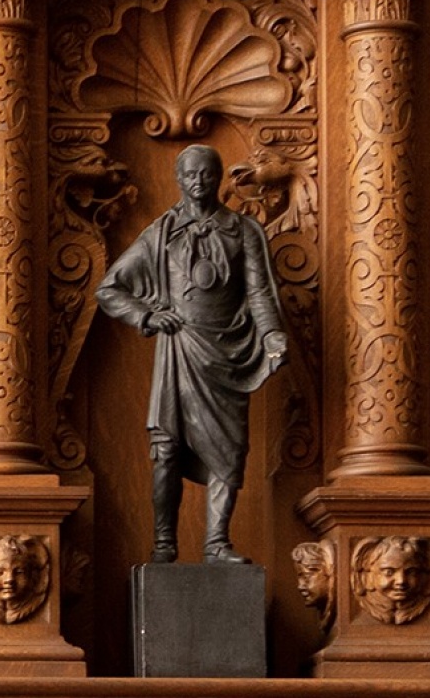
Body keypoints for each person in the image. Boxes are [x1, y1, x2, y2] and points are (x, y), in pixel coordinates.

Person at [97, 144, 286, 565]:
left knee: (230, 449)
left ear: (218, 178)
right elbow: (110, 289)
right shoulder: (161, 233)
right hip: (178, 351)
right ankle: (165, 542)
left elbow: (258, 291)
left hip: (229, 352)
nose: (198, 182)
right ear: (178, 179)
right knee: (167, 449)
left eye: (206, 174)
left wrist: (272, 335)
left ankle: (217, 542)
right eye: (190, 175)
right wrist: (147, 317)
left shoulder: (243, 231)